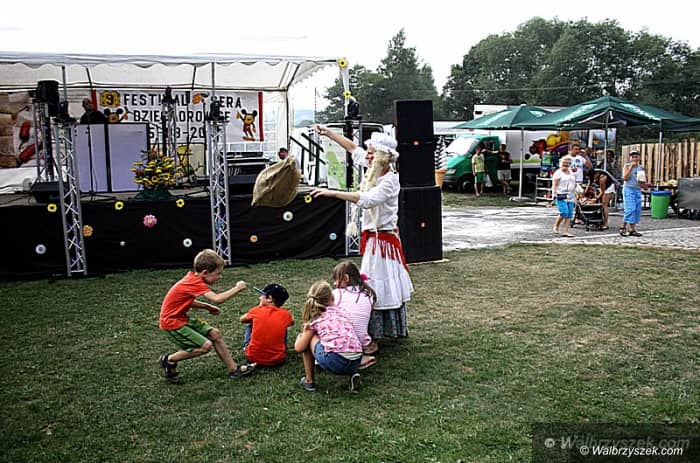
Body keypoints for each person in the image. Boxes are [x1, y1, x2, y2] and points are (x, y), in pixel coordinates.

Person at [310, 126, 413, 346]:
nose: (368, 156)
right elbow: (352, 148)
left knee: (377, 283)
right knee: (373, 281)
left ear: (383, 157)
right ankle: (375, 329)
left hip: (383, 241)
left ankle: (378, 330)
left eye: (372, 152)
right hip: (375, 239)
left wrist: (332, 193)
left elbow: (367, 199)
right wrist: (329, 133)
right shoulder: (374, 169)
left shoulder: (389, 180)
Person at [158, 249, 256, 383]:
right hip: (172, 323)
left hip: (181, 318)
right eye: (218, 274)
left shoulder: (192, 279)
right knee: (205, 346)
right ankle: (169, 359)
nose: (219, 277)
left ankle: (234, 369)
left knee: (214, 334)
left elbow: (185, 301)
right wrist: (237, 288)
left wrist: (206, 306)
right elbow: (217, 299)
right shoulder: (194, 282)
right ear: (205, 273)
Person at [294, 281, 364, 393]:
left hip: (334, 360)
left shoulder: (316, 319)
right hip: (357, 359)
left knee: (310, 338)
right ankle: (352, 374)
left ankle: (309, 381)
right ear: (332, 298)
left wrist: (302, 334)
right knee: (339, 338)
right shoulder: (343, 312)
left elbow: (299, 348)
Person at [331, 260, 378, 366]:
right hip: (363, 343)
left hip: (343, 342)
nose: (334, 283)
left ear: (346, 278)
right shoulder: (369, 294)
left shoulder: (337, 294)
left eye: (336, 279)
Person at [239, 283, 293, 367]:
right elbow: (292, 322)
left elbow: (242, 319)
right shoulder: (286, 314)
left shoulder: (256, 310)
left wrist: (259, 308)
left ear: (269, 299)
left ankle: (247, 347)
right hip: (278, 360)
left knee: (250, 323)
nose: (259, 298)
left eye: (262, 295)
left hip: (252, 358)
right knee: (284, 324)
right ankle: (282, 348)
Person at [620, 150, 646, 237]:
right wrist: (631, 167)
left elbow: (641, 179)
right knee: (630, 209)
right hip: (628, 188)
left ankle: (632, 229)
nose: (634, 158)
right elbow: (625, 178)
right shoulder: (626, 166)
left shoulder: (641, 167)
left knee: (637, 209)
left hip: (637, 189)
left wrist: (644, 184)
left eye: (636, 156)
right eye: (633, 157)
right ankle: (623, 226)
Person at [551, 156, 577, 237]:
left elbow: (574, 183)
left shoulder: (571, 172)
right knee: (564, 212)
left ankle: (565, 231)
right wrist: (554, 194)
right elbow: (555, 184)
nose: (565, 164)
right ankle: (556, 225)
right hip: (561, 195)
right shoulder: (558, 173)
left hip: (571, 195)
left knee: (569, 214)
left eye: (567, 163)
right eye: (564, 163)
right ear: (560, 163)